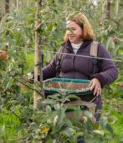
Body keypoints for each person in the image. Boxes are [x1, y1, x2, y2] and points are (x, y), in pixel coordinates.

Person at [41, 13, 118, 142]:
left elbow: (112, 70)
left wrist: (99, 78)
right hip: (64, 102)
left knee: (83, 138)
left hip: (88, 104)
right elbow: (51, 69)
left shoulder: (96, 48)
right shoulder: (64, 48)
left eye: (74, 29)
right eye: (67, 29)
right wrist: (33, 75)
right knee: (61, 136)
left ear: (84, 29)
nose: (69, 32)